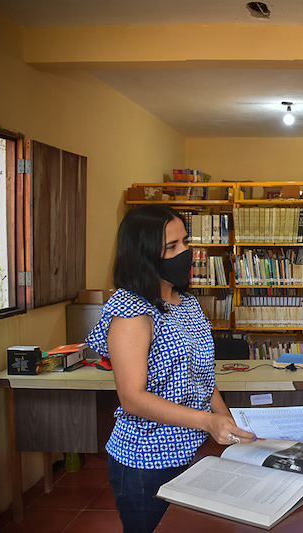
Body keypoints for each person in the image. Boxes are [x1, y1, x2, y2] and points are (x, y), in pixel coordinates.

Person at [86, 204, 255, 533]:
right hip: (148, 461)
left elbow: (203, 378)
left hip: (195, 450)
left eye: (186, 242)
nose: (186, 253)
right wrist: (209, 421)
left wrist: (228, 422)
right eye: (172, 247)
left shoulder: (187, 302)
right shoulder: (131, 310)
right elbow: (132, 398)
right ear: (144, 255)